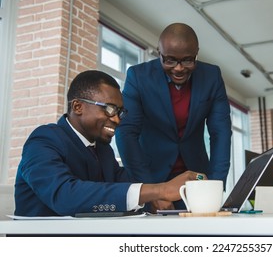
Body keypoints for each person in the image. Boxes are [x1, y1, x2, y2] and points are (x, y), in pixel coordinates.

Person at [14, 70, 204, 216]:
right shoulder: (43, 140)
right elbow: (64, 195)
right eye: (110, 109)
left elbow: (123, 185)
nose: (117, 120)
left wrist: (156, 197)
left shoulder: (103, 150)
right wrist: (160, 190)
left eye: (120, 112)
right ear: (78, 106)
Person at [116, 23, 232, 211]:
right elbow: (126, 133)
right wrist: (152, 191)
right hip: (150, 176)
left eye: (187, 60)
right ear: (158, 53)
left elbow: (221, 133)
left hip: (197, 181)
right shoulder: (138, 76)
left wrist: (215, 187)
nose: (178, 69)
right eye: (169, 60)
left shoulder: (212, 76)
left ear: (197, 53)